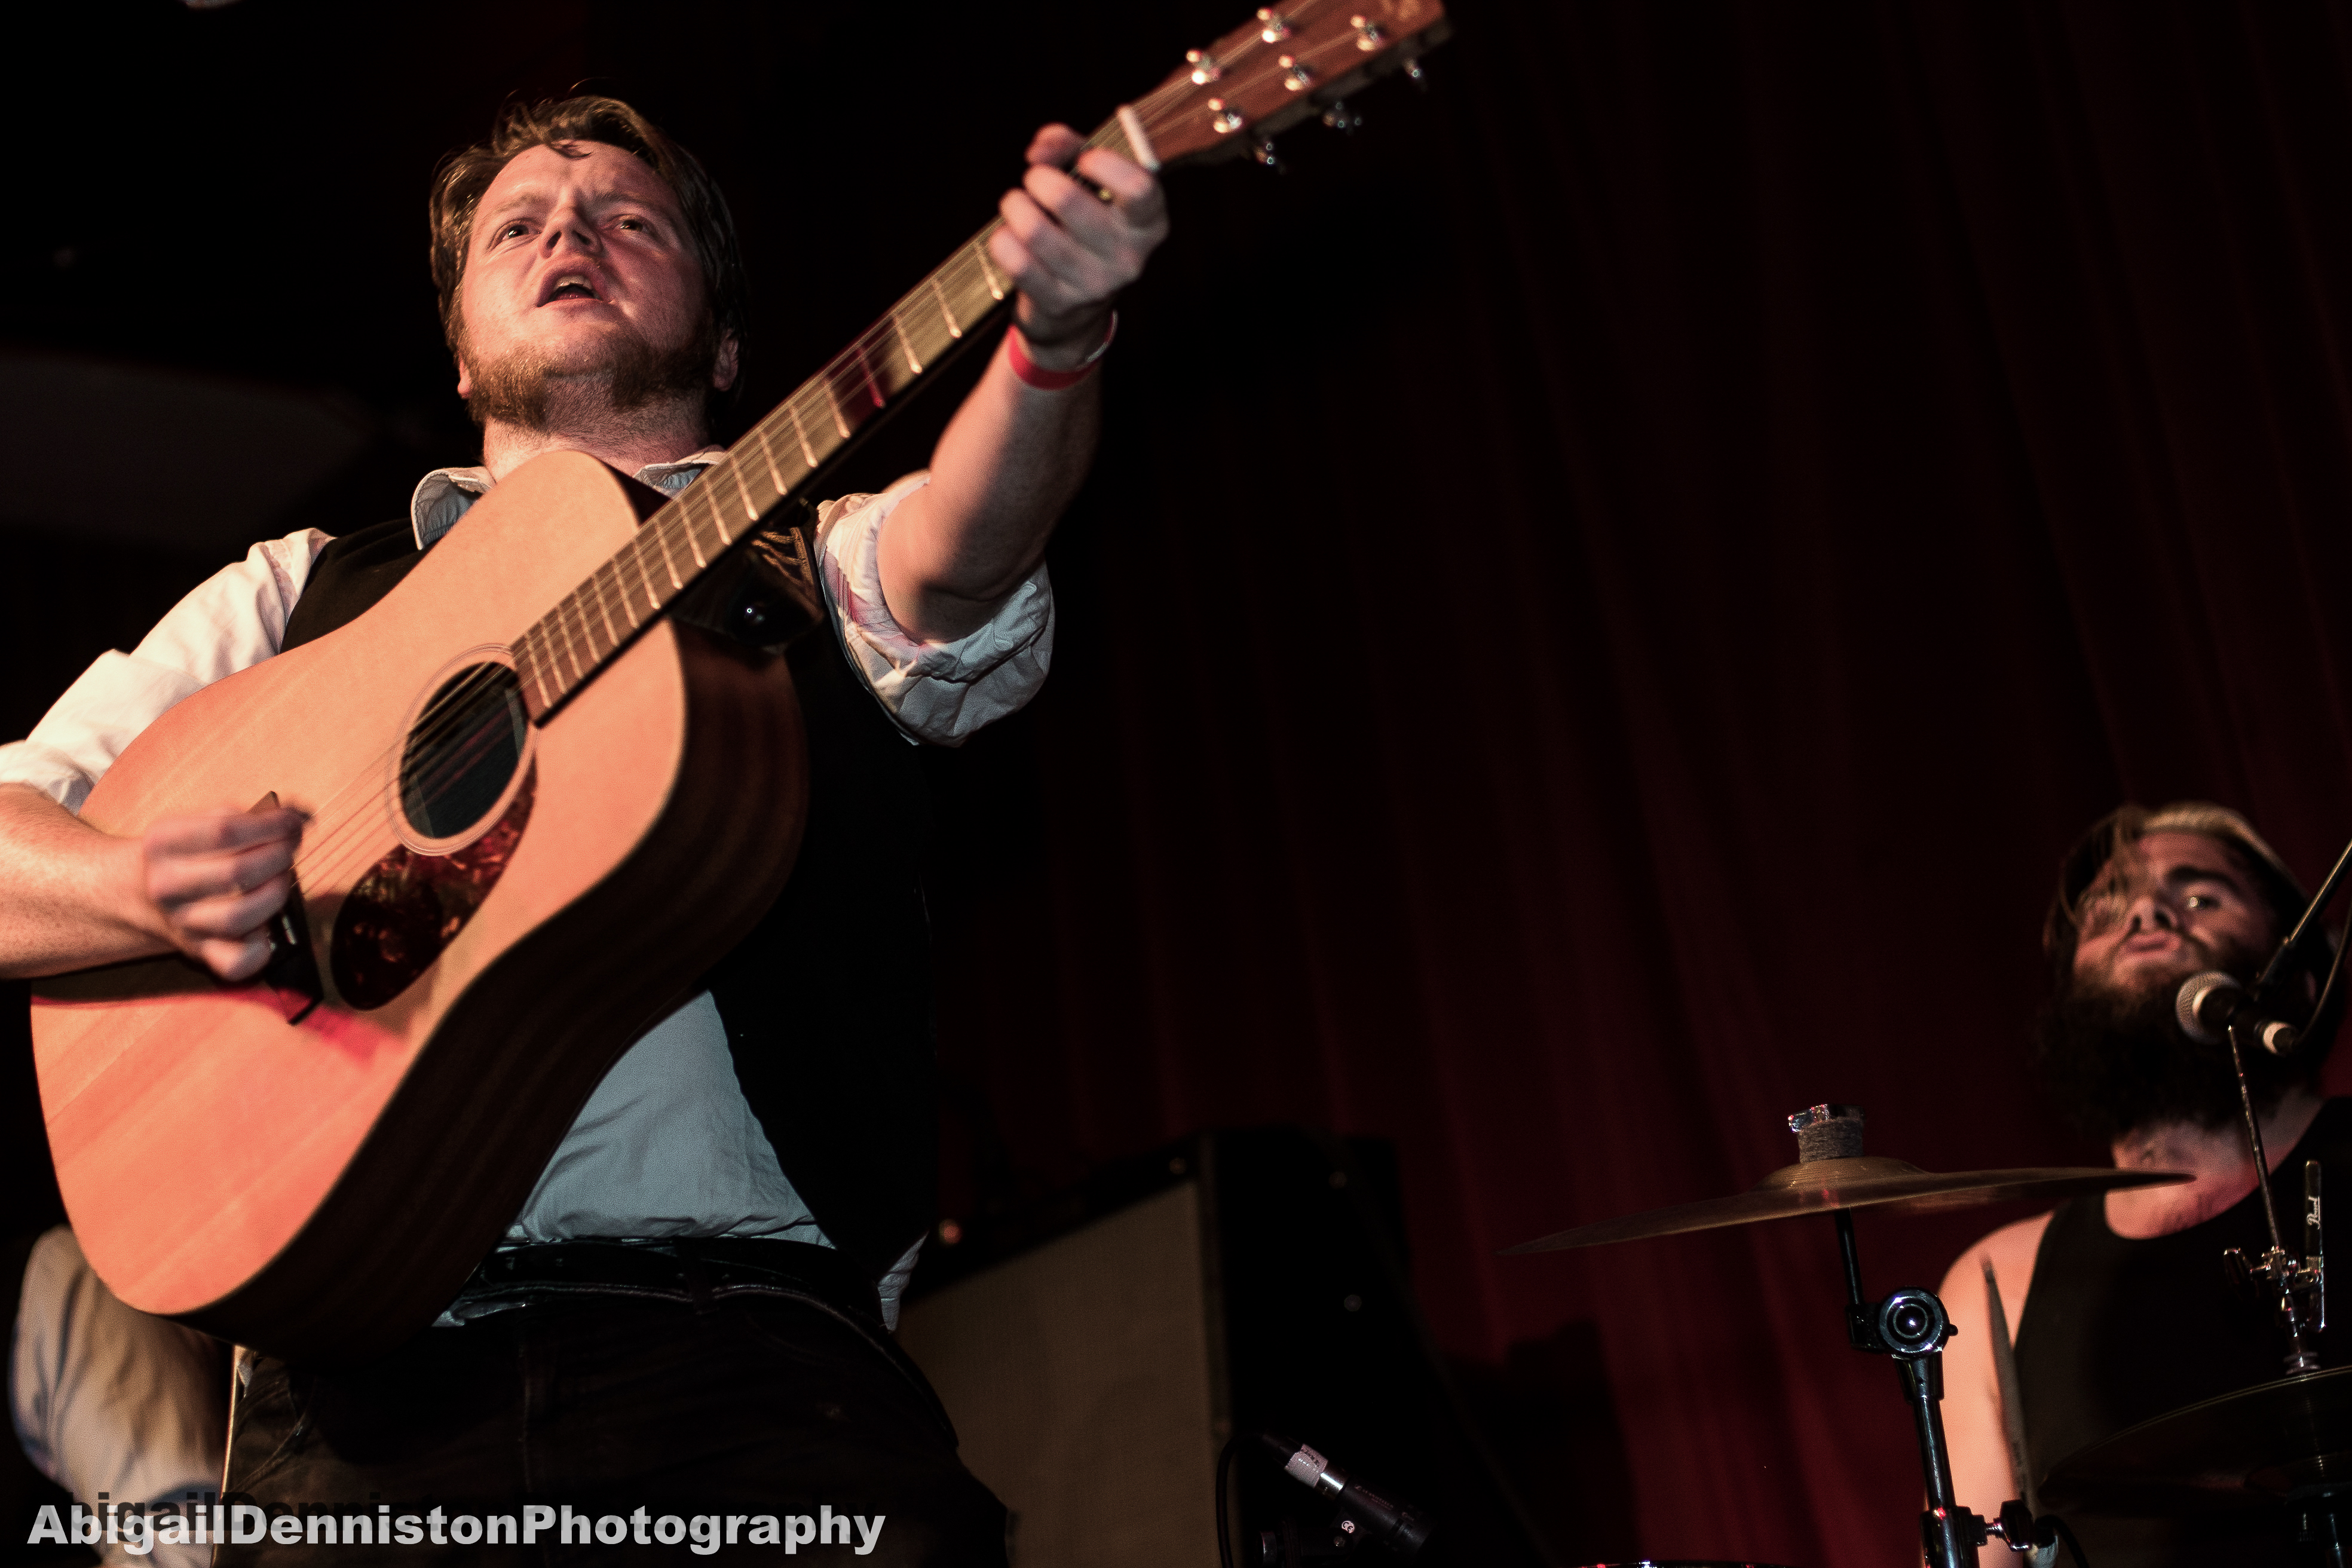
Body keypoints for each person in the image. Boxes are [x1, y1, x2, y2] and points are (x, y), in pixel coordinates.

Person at [0, 94, 1167, 1563]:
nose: (570, 234)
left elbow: (963, 549)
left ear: (724, 346)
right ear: (459, 348)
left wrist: (1055, 340)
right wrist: (133, 887)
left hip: (757, 1379)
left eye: (631, 219)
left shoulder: (812, 564)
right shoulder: (292, 595)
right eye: (520, 225)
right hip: (356, 1410)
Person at [1940, 801, 2347, 1567]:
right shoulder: (1996, 1285)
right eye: (2105, 912)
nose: (2146, 913)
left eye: (2200, 895)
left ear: (2300, 972)